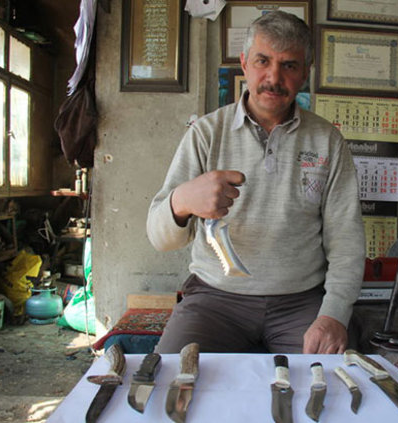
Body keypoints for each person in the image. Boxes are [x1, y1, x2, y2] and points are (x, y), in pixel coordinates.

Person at [146, 11, 365, 354]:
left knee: (330, 378)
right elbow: (159, 238)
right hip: (215, 300)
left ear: (305, 73)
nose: (274, 78)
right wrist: (182, 201)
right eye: (263, 61)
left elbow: (347, 242)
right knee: (172, 375)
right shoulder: (206, 134)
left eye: (289, 65)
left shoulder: (327, 141)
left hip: (301, 302)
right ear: (245, 63)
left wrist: (334, 314)